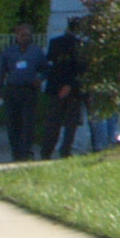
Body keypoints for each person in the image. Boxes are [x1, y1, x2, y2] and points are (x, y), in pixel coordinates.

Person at [0, 22, 45, 163]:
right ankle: (16, 153)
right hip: (12, 90)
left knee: (28, 123)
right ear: (16, 36)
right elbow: (0, 74)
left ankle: (26, 152)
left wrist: (40, 79)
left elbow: (46, 69)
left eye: (28, 35)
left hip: (29, 91)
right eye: (22, 35)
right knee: (13, 123)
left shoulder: (36, 51)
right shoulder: (8, 52)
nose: (25, 38)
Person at [40, 17, 86, 159]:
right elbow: (82, 69)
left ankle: (47, 151)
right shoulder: (82, 45)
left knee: (53, 122)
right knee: (71, 123)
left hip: (56, 87)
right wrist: (70, 85)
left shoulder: (55, 43)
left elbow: (52, 63)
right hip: (74, 89)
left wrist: (60, 85)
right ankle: (65, 151)